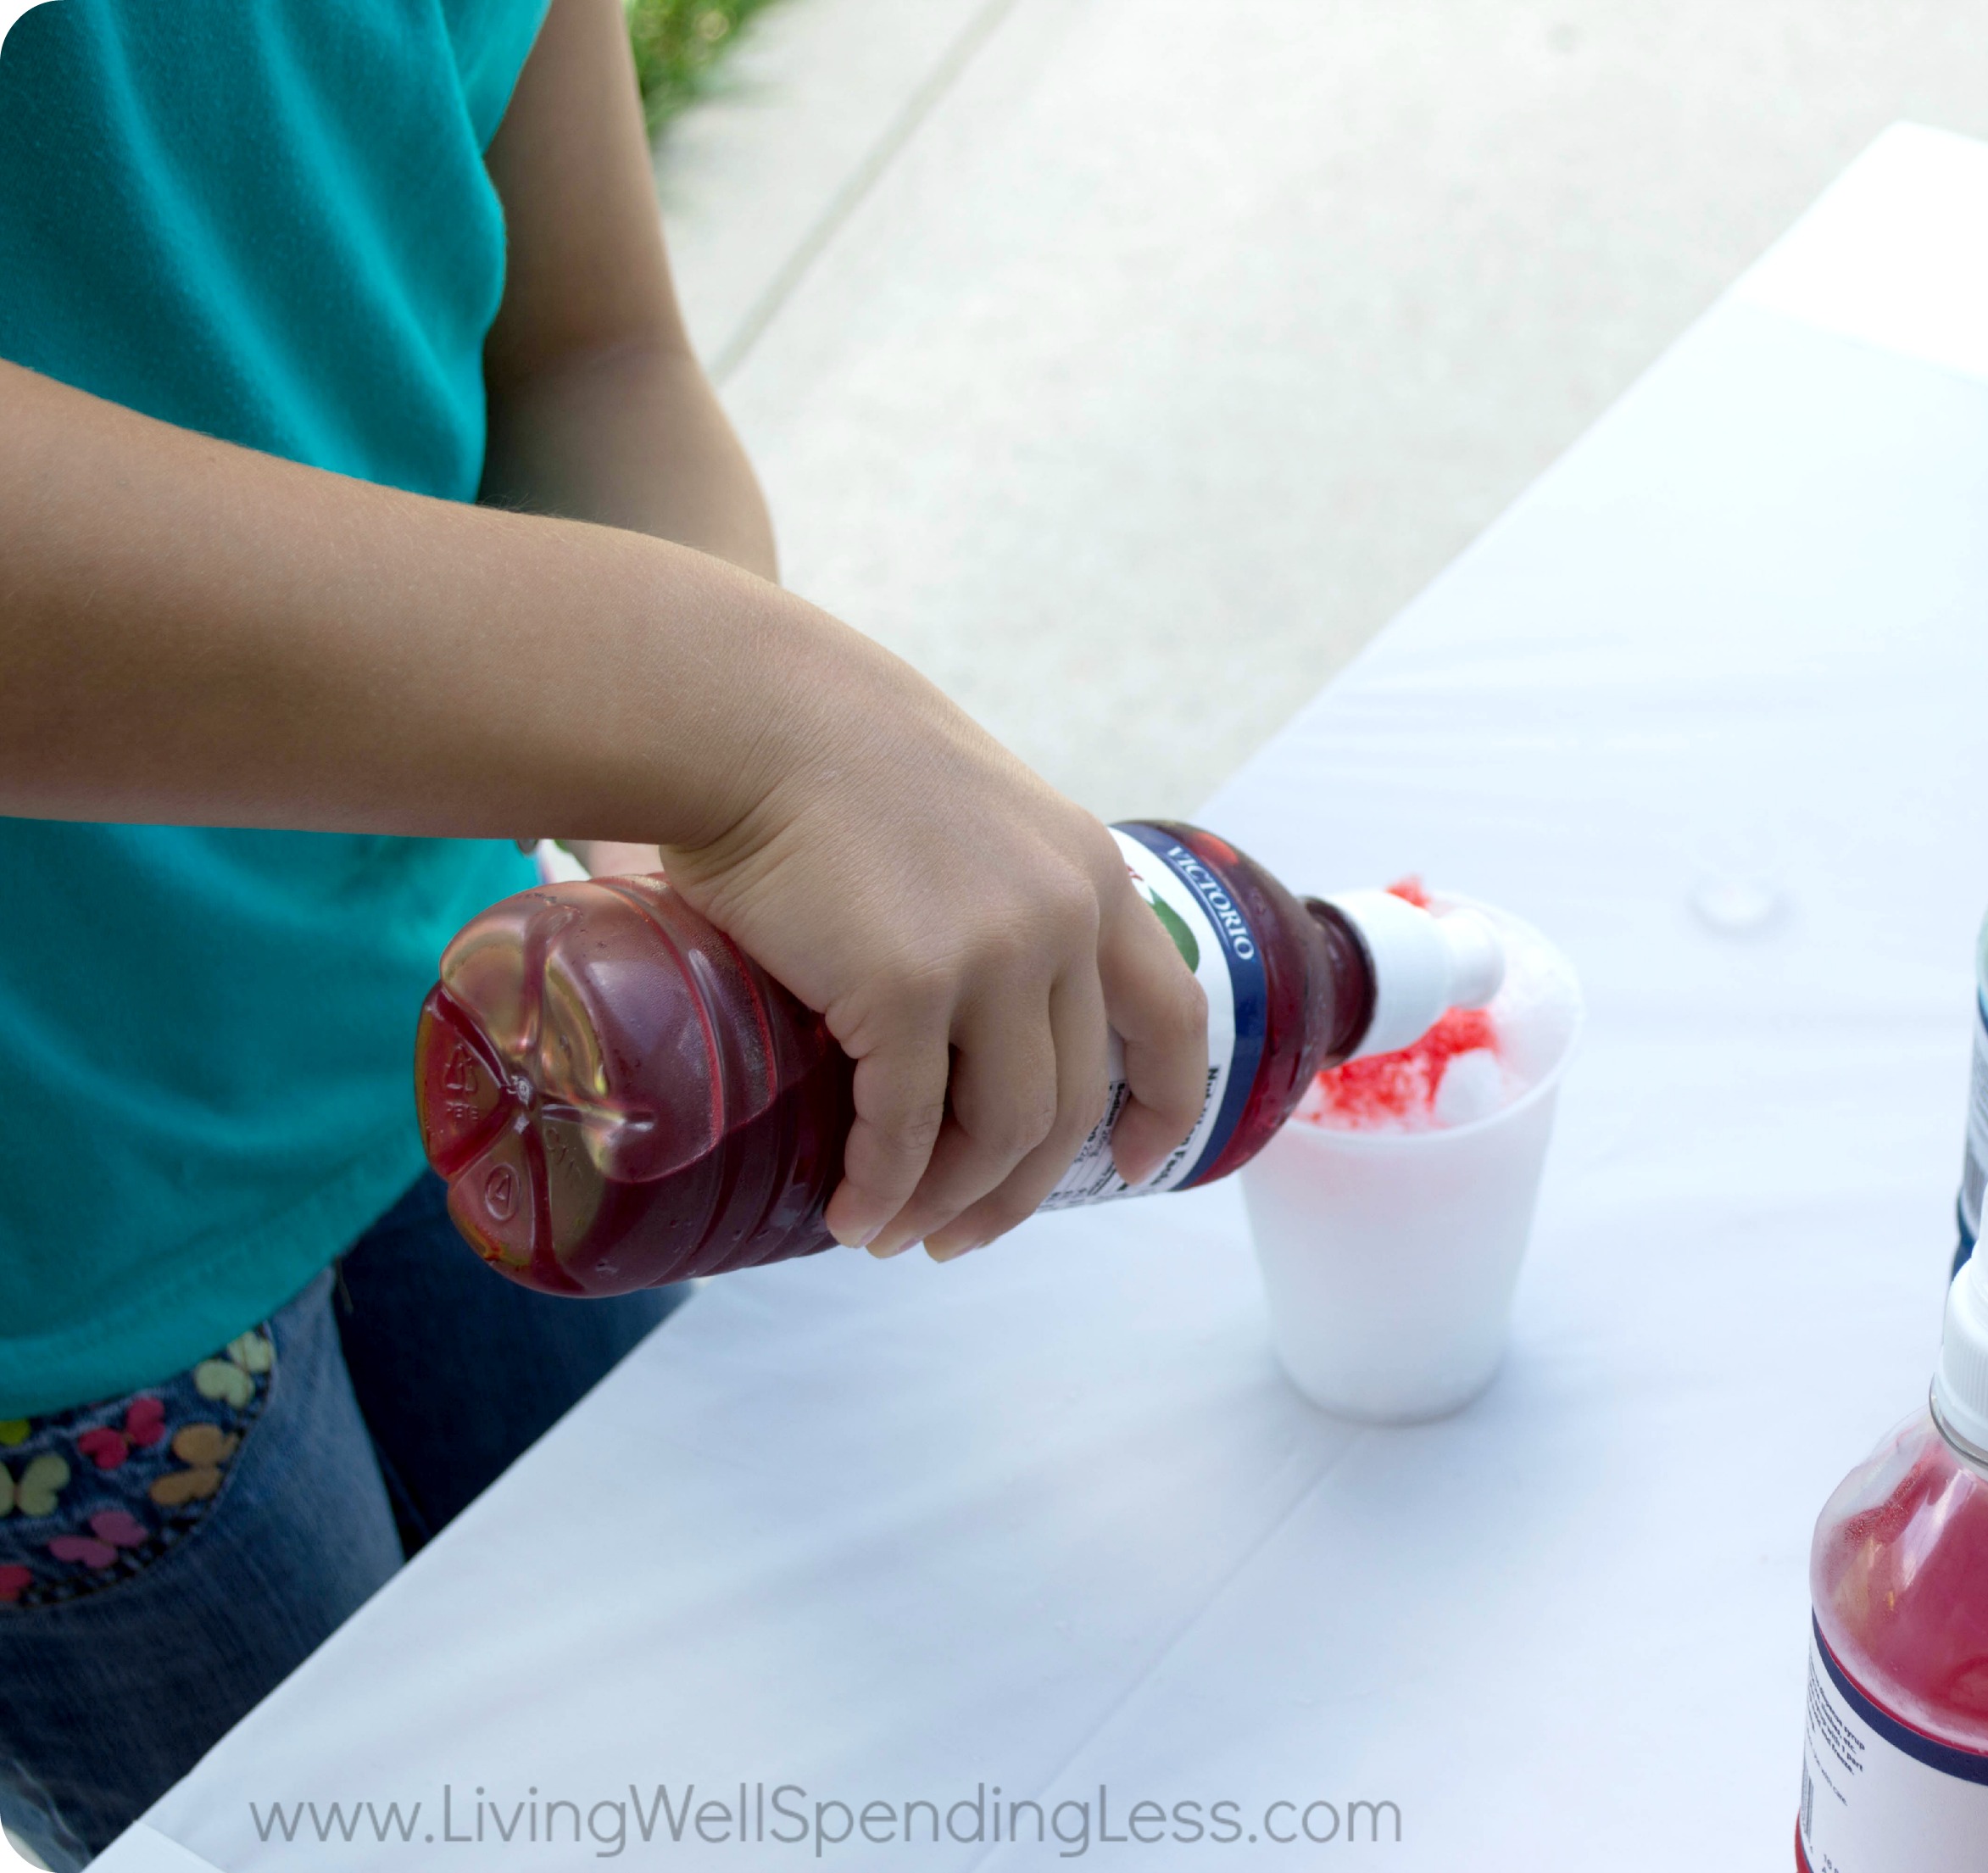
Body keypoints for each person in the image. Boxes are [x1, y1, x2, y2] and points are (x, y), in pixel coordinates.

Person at [0, 3, 1208, 1863]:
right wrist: (763, 721)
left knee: (731, 1747)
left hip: (486, 1022)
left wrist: (692, 847)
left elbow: (592, 356)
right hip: (65, 1305)